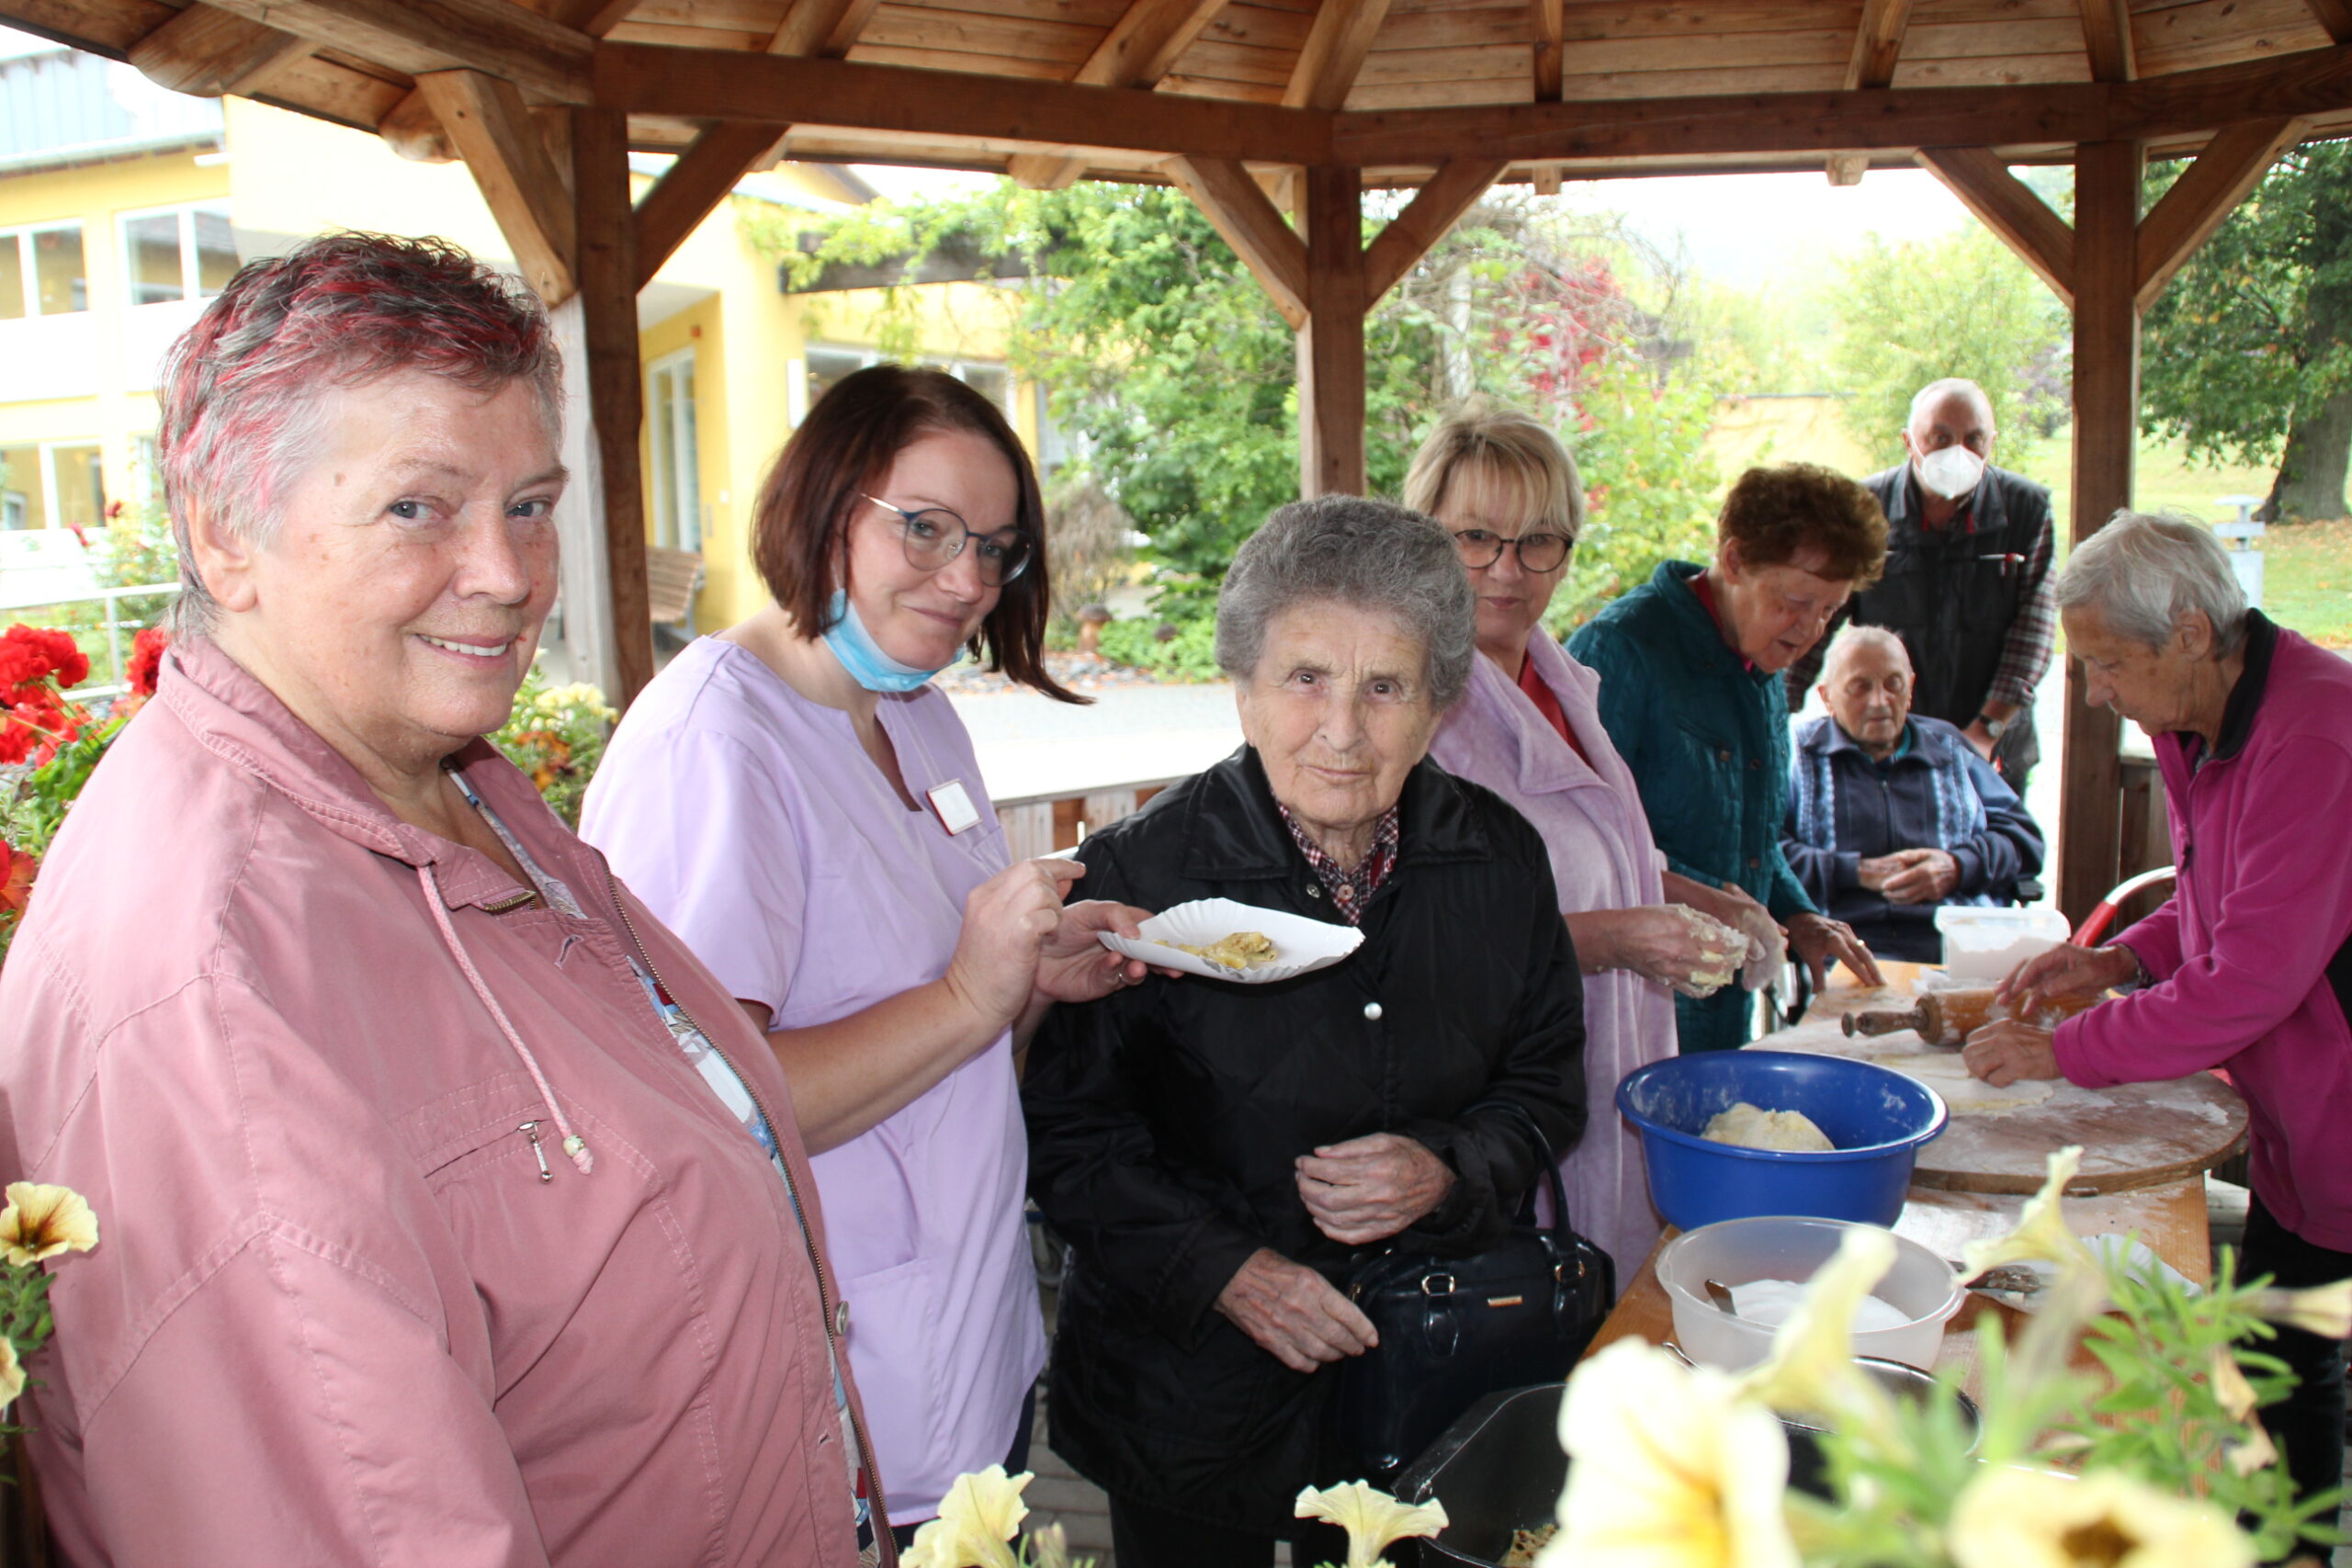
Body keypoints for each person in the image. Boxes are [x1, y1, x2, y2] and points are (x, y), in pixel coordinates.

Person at [0, 234, 887, 1565]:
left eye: (530, 504)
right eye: (420, 506)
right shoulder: (216, 981)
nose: (509, 572)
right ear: (222, 532)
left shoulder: (434, 768)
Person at [579, 366, 1151, 1547]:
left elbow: (955, 1022)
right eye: (928, 529)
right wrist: (963, 994)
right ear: (824, 500)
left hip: (966, 1348)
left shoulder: (913, 713)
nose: (967, 582)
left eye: (996, 548)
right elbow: (699, 1104)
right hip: (830, 1391)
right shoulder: (712, 747)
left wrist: (1029, 978)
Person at [1023, 497, 1587, 1567]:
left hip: (1422, 1378)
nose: (1341, 730)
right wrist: (1228, 1272)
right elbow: (1067, 1137)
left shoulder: (1500, 859)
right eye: (1305, 679)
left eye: (1384, 687)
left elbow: (1547, 1085)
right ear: (1242, 690)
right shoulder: (1140, 877)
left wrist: (1446, 1166)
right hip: (1184, 1402)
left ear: (1438, 707)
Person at [1962, 512, 2352, 1519]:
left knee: (2290, 1364)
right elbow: (2226, 902)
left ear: (2186, 631)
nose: (2094, 693)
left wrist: (2061, 1052)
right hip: (2302, 1119)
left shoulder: (2315, 733)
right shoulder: (2207, 714)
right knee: (2274, 1357)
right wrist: (2115, 959)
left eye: (2105, 665)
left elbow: (2248, 981)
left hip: (2342, 1114)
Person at [1408, 402, 1769, 1280]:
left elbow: (1603, 859)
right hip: (1503, 1102)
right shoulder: (1410, 705)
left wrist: (1699, 898)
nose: (1507, 569)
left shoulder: (1561, 677)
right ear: (1425, 537)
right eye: (1477, 537)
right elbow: (1416, 936)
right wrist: (1618, 939)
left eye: (1540, 541)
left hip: (1617, 1056)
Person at [1569, 463, 1887, 1054]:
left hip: (1723, 1002)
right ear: (1735, 560)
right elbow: (1573, 852)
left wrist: (1799, 916)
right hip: (1632, 1005)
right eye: (1797, 601)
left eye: (1830, 611)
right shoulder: (1621, 650)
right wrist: (1705, 899)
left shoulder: (1760, 658)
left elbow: (1754, 840)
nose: (1811, 630)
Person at [1788, 378, 2057, 791]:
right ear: (1908, 440)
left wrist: (1985, 731)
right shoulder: (1865, 509)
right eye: (1941, 437)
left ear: (1993, 441)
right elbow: (1818, 617)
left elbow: (2033, 633)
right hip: (1880, 744)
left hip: (1991, 741)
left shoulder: (2026, 509)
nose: (1958, 452)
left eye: (1974, 439)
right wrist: (1773, 707)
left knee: (1990, 852)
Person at [1781, 624, 2044, 964]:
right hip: (1846, 952)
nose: (1880, 701)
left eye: (1893, 684)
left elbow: (2023, 842)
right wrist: (1853, 871)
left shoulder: (1950, 748)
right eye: (1860, 687)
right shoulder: (1795, 756)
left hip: (1958, 949)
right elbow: (1762, 854)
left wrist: (1956, 866)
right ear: (1827, 697)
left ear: (1910, 689)